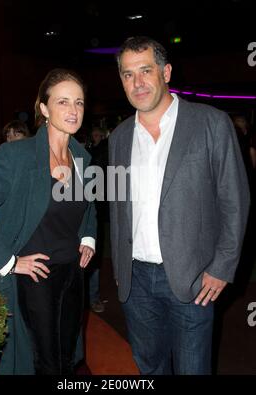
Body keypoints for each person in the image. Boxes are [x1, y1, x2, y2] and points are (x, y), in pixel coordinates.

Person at [108, 36, 250, 375]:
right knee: (150, 368)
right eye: (128, 75)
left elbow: (235, 199)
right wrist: (118, 268)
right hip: (136, 280)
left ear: (166, 72)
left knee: (192, 369)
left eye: (145, 71)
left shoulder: (211, 123)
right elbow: (117, 207)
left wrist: (222, 266)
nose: (137, 82)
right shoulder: (119, 137)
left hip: (194, 277)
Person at [0, 68, 97, 375]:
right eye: (63, 102)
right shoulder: (16, 156)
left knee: (66, 358)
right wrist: (8, 261)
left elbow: (87, 206)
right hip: (34, 280)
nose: (73, 110)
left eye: (79, 102)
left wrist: (88, 238)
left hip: (72, 274)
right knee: (43, 363)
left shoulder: (83, 159)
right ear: (44, 108)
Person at [86, 127, 108, 313]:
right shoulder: (87, 150)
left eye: (96, 134)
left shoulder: (104, 150)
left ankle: (93, 297)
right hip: (85, 200)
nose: (94, 137)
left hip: (97, 201)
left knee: (93, 252)